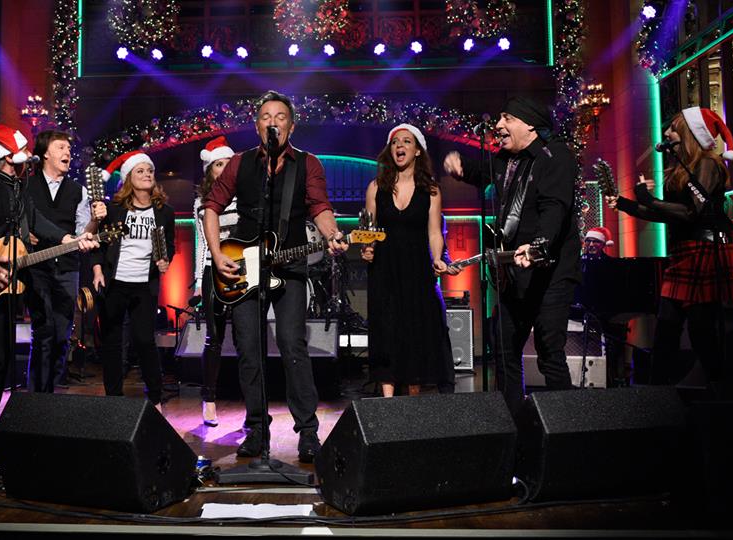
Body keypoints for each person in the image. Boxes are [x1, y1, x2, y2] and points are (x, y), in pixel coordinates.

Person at [203, 90, 348, 463]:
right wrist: (217, 253)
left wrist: (332, 234)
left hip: (291, 267)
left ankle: (308, 432)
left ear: (291, 126)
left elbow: (319, 206)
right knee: (249, 349)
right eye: (266, 116)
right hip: (242, 267)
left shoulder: (307, 164)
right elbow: (211, 206)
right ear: (257, 126)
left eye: (280, 117)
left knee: (292, 345)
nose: (273, 122)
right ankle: (256, 429)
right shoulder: (240, 163)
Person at [0, 125, 98, 430]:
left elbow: (35, 220)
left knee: (0, 360)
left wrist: (69, 239)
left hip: (2, 287)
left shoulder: (16, 188)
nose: (29, 158)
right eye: (22, 152)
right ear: (8, 158)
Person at [443, 96, 581, 415]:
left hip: (550, 272)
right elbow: (484, 171)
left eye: (507, 118)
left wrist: (539, 245)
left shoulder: (555, 155)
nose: (498, 125)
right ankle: (514, 420)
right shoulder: (507, 159)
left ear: (529, 124)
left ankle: (566, 425)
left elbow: (554, 207)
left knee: (549, 350)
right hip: (515, 272)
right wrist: (462, 168)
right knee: (503, 343)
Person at [606, 106, 733, 388]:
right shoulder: (681, 169)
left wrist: (649, 200)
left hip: (704, 250)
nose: (666, 133)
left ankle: (718, 388)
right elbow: (671, 214)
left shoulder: (707, 164)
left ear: (690, 134)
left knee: (700, 328)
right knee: (666, 327)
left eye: (674, 129)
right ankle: (658, 394)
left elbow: (693, 211)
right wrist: (628, 204)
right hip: (685, 251)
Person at [359, 124, 456, 396]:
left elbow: (434, 232)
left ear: (417, 151)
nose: (399, 146)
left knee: (415, 332)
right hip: (384, 269)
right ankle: (388, 401)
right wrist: (367, 248)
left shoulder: (431, 190)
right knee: (386, 330)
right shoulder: (376, 187)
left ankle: (412, 401)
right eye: (394, 142)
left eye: (406, 141)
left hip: (417, 270)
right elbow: (368, 230)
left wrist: (437, 258)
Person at [90, 149, 175, 412]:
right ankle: (113, 400)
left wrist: (166, 260)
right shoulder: (114, 210)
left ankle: (156, 399)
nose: (147, 174)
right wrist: (97, 270)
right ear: (128, 178)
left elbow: (169, 246)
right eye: (140, 171)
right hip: (115, 283)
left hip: (144, 285)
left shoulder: (164, 211)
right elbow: (97, 244)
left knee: (144, 341)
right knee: (112, 342)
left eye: (150, 171)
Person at [22, 130, 102, 393]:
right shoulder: (26, 186)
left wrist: (95, 221)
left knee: (62, 335)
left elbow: (83, 234)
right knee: (43, 331)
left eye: (68, 148)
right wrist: (24, 235)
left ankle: (53, 393)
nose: (67, 152)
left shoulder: (78, 191)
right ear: (45, 153)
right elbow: (17, 221)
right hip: (36, 267)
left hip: (67, 267)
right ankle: (36, 397)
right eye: (61, 147)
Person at [193, 136, 236, 426]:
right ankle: (209, 400)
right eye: (219, 164)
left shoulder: (245, 198)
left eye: (228, 163)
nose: (224, 168)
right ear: (210, 170)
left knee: (247, 337)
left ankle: (253, 405)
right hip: (212, 271)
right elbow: (202, 244)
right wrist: (199, 280)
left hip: (244, 270)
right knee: (214, 338)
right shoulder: (201, 202)